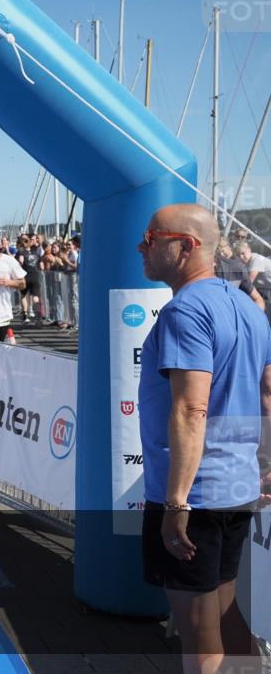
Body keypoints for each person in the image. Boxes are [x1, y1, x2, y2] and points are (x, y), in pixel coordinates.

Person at [137, 204, 271, 674]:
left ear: (186, 246)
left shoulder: (186, 311)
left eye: (152, 239)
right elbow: (268, 393)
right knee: (226, 616)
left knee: (199, 635)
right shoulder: (247, 307)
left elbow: (191, 408)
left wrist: (176, 504)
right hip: (234, 487)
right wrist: (265, 465)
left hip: (195, 494)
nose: (142, 247)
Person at [215, 238, 265, 311]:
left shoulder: (239, 264)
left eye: (222, 251)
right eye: (218, 252)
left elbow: (249, 282)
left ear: (229, 247)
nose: (221, 254)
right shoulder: (235, 263)